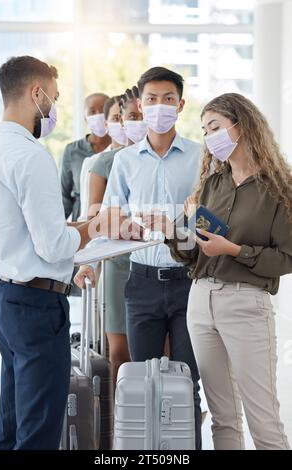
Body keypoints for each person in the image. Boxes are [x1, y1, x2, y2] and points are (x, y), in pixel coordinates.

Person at [164, 92, 292, 450]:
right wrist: (177, 229)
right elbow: (191, 256)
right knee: (222, 417)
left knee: (262, 419)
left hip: (246, 304)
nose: (209, 137)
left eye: (215, 127)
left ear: (242, 124)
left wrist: (234, 250)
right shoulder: (211, 184)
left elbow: (286, 257)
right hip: (200, 300)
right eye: (205, 130)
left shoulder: (280, 189)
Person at [0, 56, 96, 450]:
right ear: (36, 93)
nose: (53, 109)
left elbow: (15, 228)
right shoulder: (31, 155)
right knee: (38, 430)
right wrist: (91, 229)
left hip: (5, 296)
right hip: (36, 305)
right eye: (52, 98)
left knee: (12, 418)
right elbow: (52, 245)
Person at [100, 67, 203, 449]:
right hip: (140, 283)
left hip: (189, 281)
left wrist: (176, 223)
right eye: (152, 99)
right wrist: (123, 225)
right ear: (141, 106)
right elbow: (108, 215)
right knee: (140, 384)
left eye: (168, 99)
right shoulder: (126, 160)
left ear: (181, 104)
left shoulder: (201, 156)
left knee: (187, 382)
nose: (160, 106)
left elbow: (213, 220)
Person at [74, 87, 147, 388]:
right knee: (119, 355)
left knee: (154, 355)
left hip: (155, 264)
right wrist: (88, 263)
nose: (134, 122)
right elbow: (95, 222)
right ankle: (117, 426)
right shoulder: (104, 163)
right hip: (117, 265)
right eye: (128, 117)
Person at [60, 92, 110, 221]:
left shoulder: (120, 150)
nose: (99, 115)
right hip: (81, 222)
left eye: (103, 110)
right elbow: (64, 197)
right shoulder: (73, 150)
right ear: (85, 118)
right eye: (92, 112)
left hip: (113, 221)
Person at [78, 95, 127, 221]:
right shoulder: (95, 163)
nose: (122, 124)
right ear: (106, 124)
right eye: (116, 119)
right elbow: (88, 216)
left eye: (128, 118)